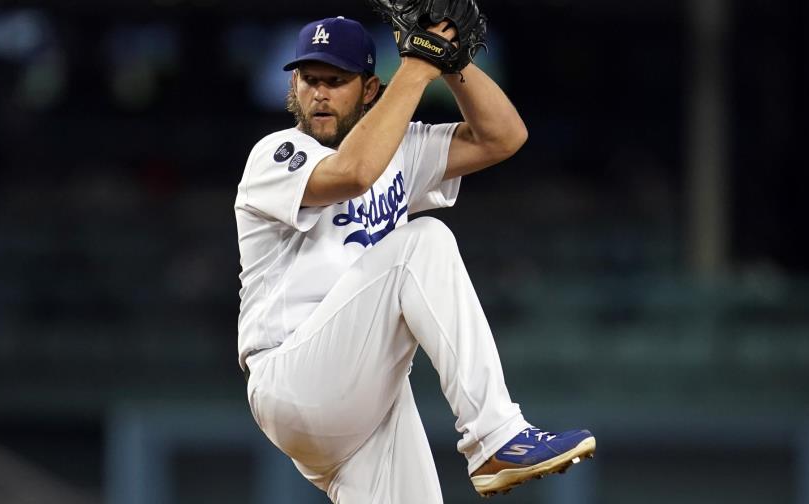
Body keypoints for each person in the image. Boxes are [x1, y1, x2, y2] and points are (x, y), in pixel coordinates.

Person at [234, 15, 595, 502]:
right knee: (422, 242)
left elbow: (502, 137)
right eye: (309, 79)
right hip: (291, 375)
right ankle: (495, 435)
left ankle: (496, 440)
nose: (319, 93)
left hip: (366, 401)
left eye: (336, 81)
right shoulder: (276, 153)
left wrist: (453, 62)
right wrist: (419, 66)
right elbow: (354, 172)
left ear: (369, 90)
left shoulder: (401, 149)